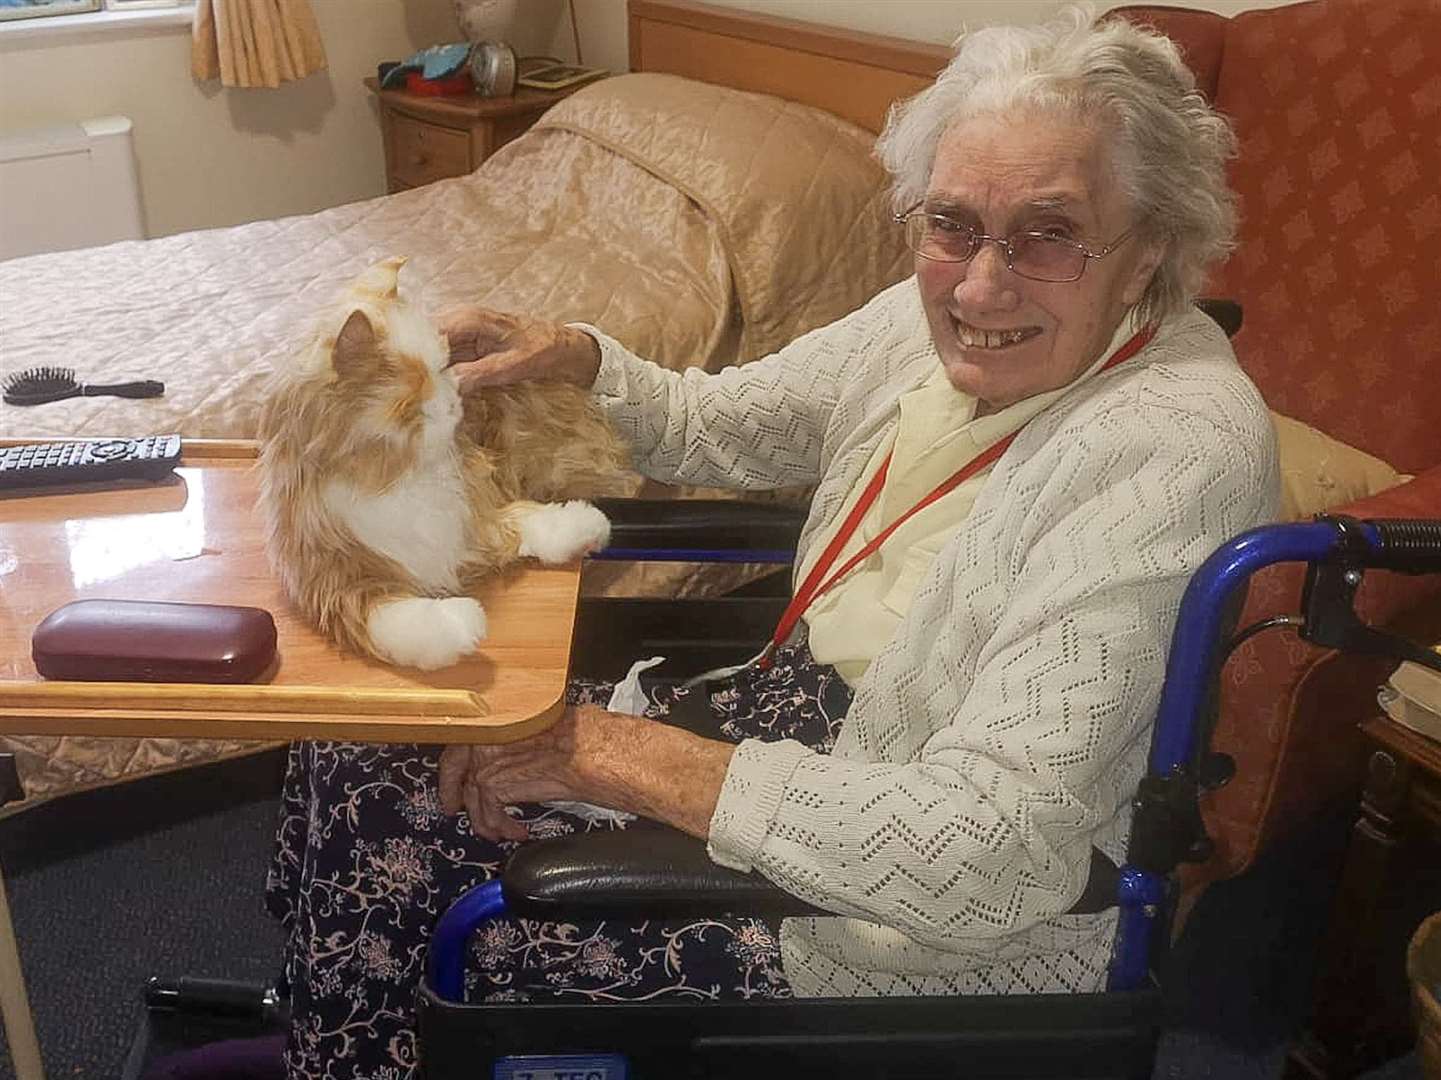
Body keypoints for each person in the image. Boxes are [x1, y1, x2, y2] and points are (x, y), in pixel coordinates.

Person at [265, 9, 1278, 1076]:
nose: (981, 285)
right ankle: (328, 1021)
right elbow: (725, 422)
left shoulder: (1174, 448)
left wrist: (596, 752)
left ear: (1150, 248)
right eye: (953, 223)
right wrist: (574, 355)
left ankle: (367, 1035)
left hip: (902, 914)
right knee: (353, 736)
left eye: (1049, 232)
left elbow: (996, 848)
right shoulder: (918, 316)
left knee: (396, 839)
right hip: (776, 732)